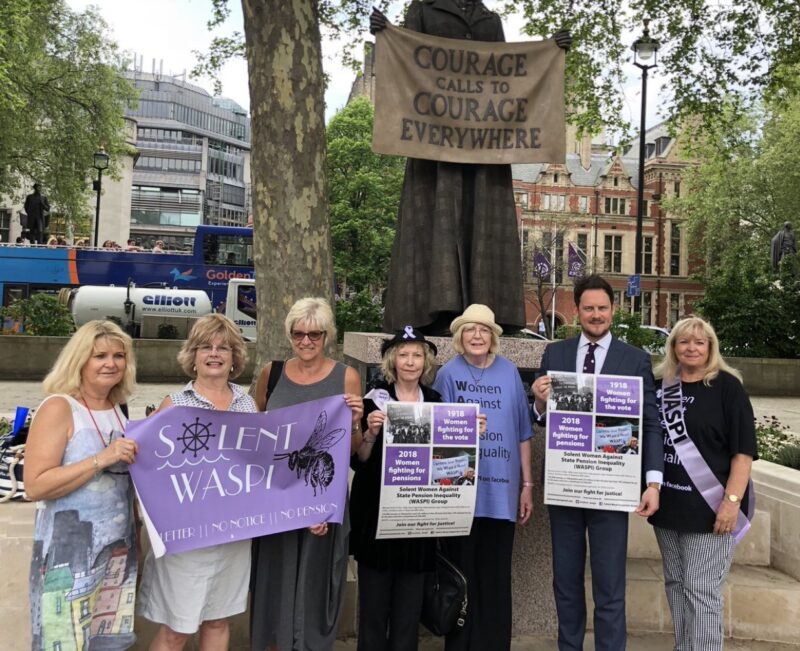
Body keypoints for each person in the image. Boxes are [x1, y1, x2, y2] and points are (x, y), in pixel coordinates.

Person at [370, 3, 571, 335]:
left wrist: (550, 51)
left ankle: (488, 311)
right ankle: (433, 311)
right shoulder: (423, 10)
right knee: (437, 222)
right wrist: (388, 34)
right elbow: (407, 61)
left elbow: (509, 79)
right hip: (434, 148)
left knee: (483, 225)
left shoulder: (490, 20)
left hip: (484, 149)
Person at [531, 274, 663, 651]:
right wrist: (539, 401)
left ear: (613, 310)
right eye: (588, 308)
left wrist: (652, 483)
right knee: (566, 582)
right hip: (566, 487)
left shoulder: (635, 359)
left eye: (602, 308)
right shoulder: (555, 354)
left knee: (609, 586)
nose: (596, 314)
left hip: (610, 489)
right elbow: (541, 418)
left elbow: (650, 424)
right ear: (577, 310)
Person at [250, 297, 364, 651]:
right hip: (277, 498)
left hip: (322, 499)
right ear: (289, 336)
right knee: (275, 581)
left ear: (327, 336)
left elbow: (353, 449)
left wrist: (357, 421)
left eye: (315, 334)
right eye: (298, 334)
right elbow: (254, 434)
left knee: (315, 585)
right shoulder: (273, 373)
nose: (306, 342)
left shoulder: (347, 376)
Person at [138, 313, 257, 650]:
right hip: (188, 538)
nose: (214, 354)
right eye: (205, 347)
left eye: (224, 347)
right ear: (193, 356)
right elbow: (151, 472)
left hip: (234, 534)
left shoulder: (248, 406)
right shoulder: (173, 405)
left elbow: (261, 469)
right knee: (178, 628)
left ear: (235, 357)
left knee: (218, 621)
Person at [26, 320, 139, 650]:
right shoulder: (60, 407)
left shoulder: (118, 411)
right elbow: (35, 485)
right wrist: (100, 459)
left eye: (119, 356)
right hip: (68, 557)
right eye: (99, 355)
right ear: (79, 360)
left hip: (118, 551)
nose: (111, 363)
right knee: (63, 642)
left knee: (110, 640)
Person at [650, 316, 757, 650]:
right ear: (673, 347)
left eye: (699, 342)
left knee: (702, 589)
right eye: (684, 341)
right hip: (668, 507)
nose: (691, 348)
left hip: (712, 508)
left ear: (711, 347)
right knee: (676, 584)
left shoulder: (727, 387)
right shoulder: (661, 386)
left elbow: (743, 453)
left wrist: (732, 501)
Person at [432, 304, 534, 651]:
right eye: (471, 330)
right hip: (460, 494)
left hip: (502, 494)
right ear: (460, 337)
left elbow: (523, 432)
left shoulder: (509, 374)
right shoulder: (447, 374)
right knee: (461, 577)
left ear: (493, 337)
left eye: (484, 330)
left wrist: (527, 486)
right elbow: (435, 433)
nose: (477, 336)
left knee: (495, 579)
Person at [350, 327, 441, 651]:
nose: (411, 361)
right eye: (403, 354)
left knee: (407, 618)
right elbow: (358, 461)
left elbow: (446, 459)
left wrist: (472, 431)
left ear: (426, 361)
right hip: (376, 521)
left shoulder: (436, 402)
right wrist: (371, 433)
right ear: (392, 360)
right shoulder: (373, 399)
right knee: (374, 613)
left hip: (417, 523)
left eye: (417, 355)